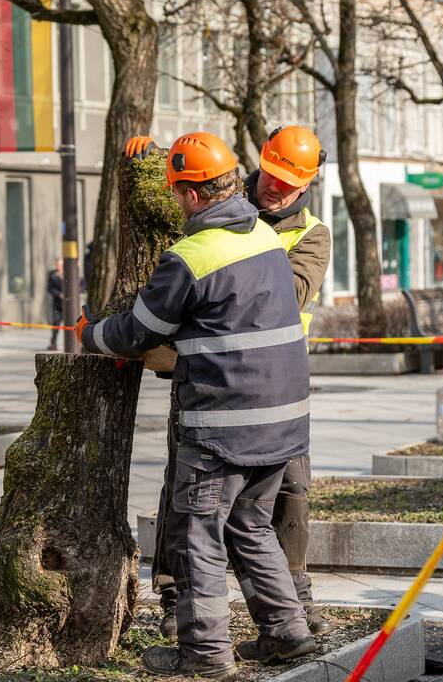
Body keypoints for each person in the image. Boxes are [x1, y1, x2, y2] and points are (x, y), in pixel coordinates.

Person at [78, 132, 315, 679]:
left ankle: (206, 657)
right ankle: (288, 632)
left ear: (189, 194)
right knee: (251, 527)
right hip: (282, 425)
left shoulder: (191, 256)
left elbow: (139, 330)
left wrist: (90, 334)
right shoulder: (262, 236)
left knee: (198, 536)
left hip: (222, 428)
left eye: (178, 191)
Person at [237, 125, 332, 635]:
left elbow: (290, 296)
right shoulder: (225, 198)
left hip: (280, 374)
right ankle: (174, 592)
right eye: (271, 174)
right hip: (216, 366)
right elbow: (183, 180)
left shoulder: (312, 234)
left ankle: (296, 588)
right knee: (184, 485)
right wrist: (151, 155)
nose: (275, 187)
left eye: (289, 183)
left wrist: (241, 246)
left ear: (308, 183)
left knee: (292, 485)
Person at [47, 257, 64, 350]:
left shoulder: (70, 272)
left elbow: (81, 284)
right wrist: (58, 294)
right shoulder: (52, 274)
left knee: (73, 324)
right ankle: (53, 343)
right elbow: (49, 288)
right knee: (55, 323)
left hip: (69, 305)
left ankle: (78, 343)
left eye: (60, 265)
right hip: (57, 304)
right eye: (57, 265)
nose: (59, 267)